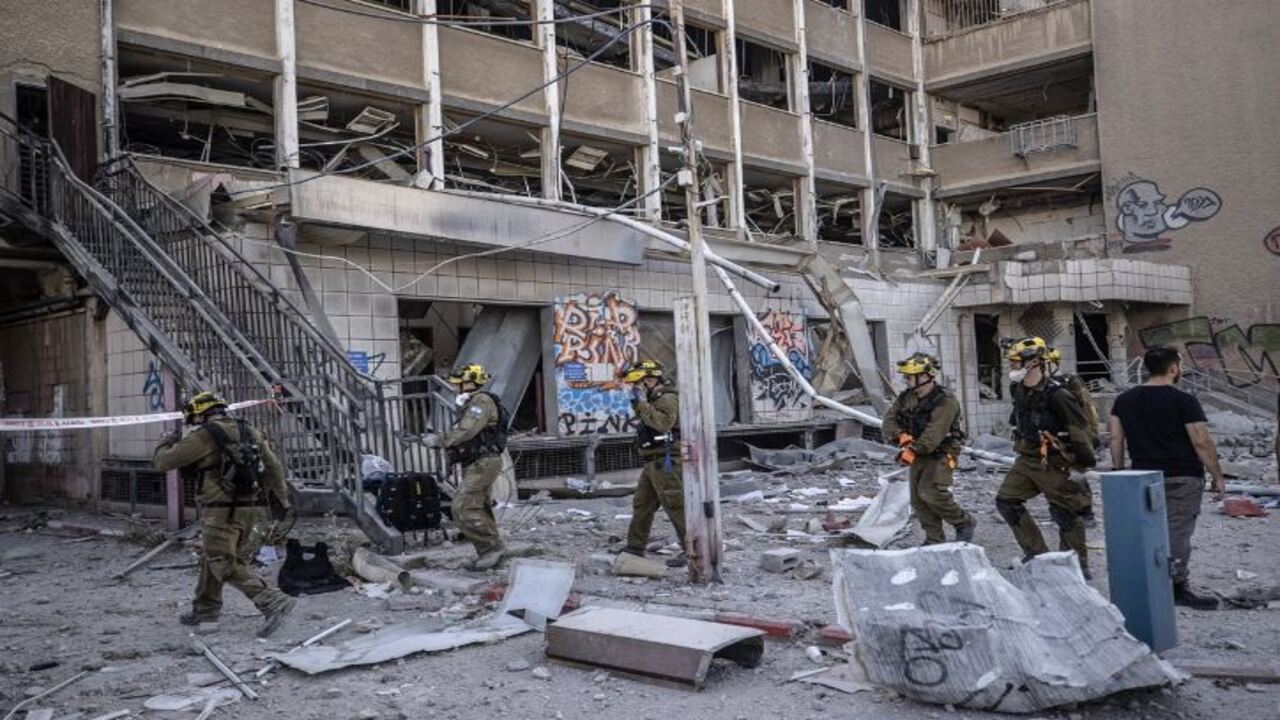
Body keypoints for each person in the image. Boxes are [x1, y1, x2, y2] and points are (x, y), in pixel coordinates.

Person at [153, 391, 295, 637]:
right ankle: (205, 611)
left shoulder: (205, 435)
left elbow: (163, 462)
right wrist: (281, 499)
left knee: (224, 562)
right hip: (250, 509)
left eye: (193, 418)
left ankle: (272, 600)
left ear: (200, 414)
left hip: (221, 511)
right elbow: (274, 465)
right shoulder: (248, 429)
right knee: (215, 557)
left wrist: (165, 442)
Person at [1109, 346, 1225, 610]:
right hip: (1182, 477)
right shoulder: (1184, 400)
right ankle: (1175, 586)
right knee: (1177, 533)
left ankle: (1148, 582)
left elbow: (1116, 438)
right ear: (1173, 368)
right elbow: (1201, 441)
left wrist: (1119, 472)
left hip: (1142, 477)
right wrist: (1217, 475)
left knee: (1149, 531)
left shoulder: (1123, 400)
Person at [995, 337, 1098, 578]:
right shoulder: (1018, 388)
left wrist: (1082, 464)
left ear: (1033, 363)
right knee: (1006, 501)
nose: (1011, 366)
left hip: (1056, 461)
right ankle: (1036, 553)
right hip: (1027, 457)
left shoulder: (1058, 394)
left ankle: (1075, 565)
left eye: (1015, 361)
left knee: (1065, 512)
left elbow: (1079, 428)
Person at [881, 352, 976, 544]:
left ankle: (963, 522)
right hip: (918, 450)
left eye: (909, 377)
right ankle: (934, 539)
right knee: (918, 499)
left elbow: (934, 433)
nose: (906, 381)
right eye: (905, 377)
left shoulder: (945, 401)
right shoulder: (907, 397)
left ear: (924, 377)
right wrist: (902, 438)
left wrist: (912, 450)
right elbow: (889, 420)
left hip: (943, 451)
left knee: (930, 492)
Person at [422, 364, 509, 570]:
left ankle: (490, 548)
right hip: (479, 462)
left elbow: (467, 431)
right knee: (478, 505)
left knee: (461, 507)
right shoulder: (474, 402)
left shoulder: (481, 401)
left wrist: (438, 440)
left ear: (470, 382)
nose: (455, 388)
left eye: (459, 383)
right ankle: (492, 549)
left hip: (484, 461)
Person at [618, 360, 686, 568]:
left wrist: (642, 403)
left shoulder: (667, 398)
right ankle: (635, 546)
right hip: (652, 461)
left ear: (649, 380)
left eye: (638, 384)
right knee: (642, 504)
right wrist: (639, 403)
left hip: (666, 461)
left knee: (676, 505)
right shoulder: (652, 398)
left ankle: (692, 548)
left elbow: (662, 424)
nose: (635, 388)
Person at [1046, 347, 1101, 524]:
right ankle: (1062, 510)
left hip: (1072, 435)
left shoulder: (1068, 383)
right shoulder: (1037, 386)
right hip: (1050, 439)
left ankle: (1085, 512)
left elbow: (1087, 410)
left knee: (1077, 474)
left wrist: (1091, 435)